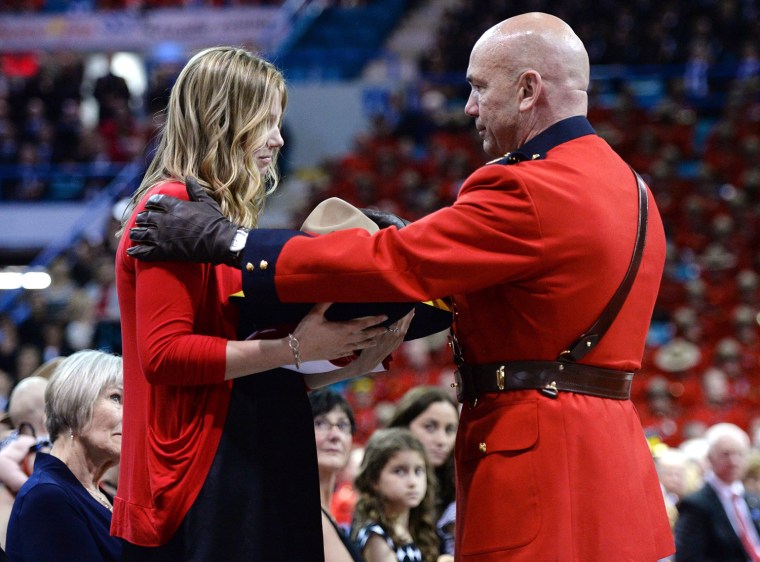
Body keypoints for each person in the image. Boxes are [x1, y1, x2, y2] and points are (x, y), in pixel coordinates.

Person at [126, 13, 675, 560]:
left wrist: (237, 245)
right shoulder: (634, 189)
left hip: (538, 458)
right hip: (610, 460)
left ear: (529, 90)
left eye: (479, 87)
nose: (469, 106)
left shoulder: (530, 187)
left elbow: (397, 262)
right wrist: (329, 351)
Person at [113, 46, 409, 561]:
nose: (277, 138)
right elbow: (163, 356)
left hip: (241, 452)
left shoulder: (210, 215)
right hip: (199, 468)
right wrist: (295, 347)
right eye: (266, 122)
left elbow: (247, 372)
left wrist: (349, 353)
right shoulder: (174, 206)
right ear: (222, 121)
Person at [5, 350, 123, 561]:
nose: (130, 413)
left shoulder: (95, 494)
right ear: (74, 405)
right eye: (116, 397)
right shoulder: (46, 498)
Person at [387, 385, 458, 556]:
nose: (442, 440)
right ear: (403, 427)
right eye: (430, 427)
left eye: (450, 430)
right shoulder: (382, 489)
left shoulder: (457, 491)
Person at [351, 427, 440, 562]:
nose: (413, 482)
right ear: (373, 479)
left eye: (418, 471)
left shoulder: (415, 528)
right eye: (399, 471)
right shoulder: (376, 534)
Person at [674, 423, 760, 561]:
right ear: (710, 458)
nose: (733, 461)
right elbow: (688, 557)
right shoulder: (695, 505)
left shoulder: (752, 500)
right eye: (725, 454)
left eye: (740, 454)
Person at [309, 388, 364, 562]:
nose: (335, 435)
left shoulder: (333, 515)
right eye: (320, 423)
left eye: (342, 426)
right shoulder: (292, 511)